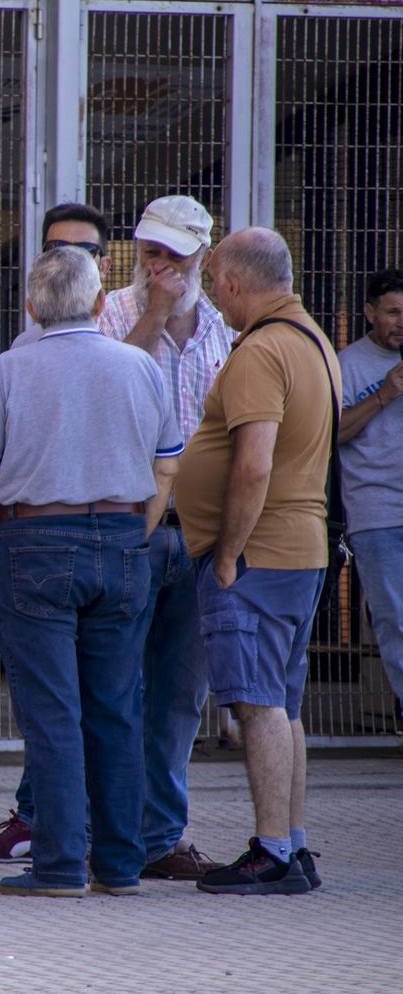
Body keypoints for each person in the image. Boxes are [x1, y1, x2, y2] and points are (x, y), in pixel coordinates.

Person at [0, 196, 234, 882]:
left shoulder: (8, 370)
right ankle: (119, 863)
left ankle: (57, 865)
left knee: (55, 713)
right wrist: (134, 532)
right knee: (117, 708)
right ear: (93, 304)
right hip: (123, 543)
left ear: (31, 309)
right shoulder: (136, 363)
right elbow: (165, 463)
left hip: (35, 544)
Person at [174, 226, 338, 895]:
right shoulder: (313, 342)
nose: (215, 295)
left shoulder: (263, 352)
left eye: (215, 282)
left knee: (256, 705)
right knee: (285, 704)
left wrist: (227, 556)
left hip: (257, 557)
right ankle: (293, 844)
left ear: (235, 282)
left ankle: (270, 851)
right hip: (300, 548)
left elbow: (253, 464)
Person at [336, 269, 403, 711]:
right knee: (396, 621)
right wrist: (382, 394)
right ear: (369, 313)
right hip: (376, 512)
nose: (402, 321)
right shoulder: (345, 364)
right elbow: (330, 434)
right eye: (394, 312)